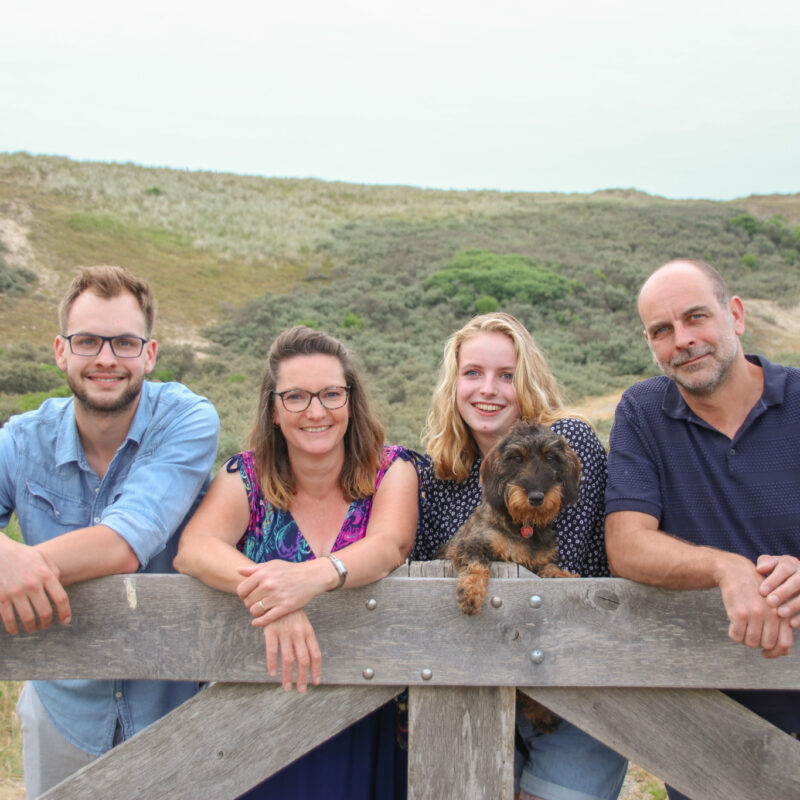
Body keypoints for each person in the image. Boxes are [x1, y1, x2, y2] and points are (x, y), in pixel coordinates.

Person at [0, 265, 219, 797]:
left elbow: (125, 542)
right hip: (62, 705)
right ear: (60, 350)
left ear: (149, 353)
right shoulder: (21, 441)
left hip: (175, 705)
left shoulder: (187, 420)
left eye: (124, 342)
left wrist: (21, 561)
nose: (105, 358)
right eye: (88, 341)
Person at [174, 325, 418, 799]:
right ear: (273, 409)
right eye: (296, 397)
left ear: (351, 400)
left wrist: (309, 579)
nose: (316, 411)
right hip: (260, 722)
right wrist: (275, 597)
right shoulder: (246, 475)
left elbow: (390, 545)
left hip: (368, 715)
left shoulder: (391, 468)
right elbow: (195, 549)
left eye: (331, 394)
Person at [605, 258, 800, 800]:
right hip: (706, 724)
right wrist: (725, 568)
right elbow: (625, 544)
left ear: (734, 315)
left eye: (696, 318)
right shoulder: (643, 412)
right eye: (662, 330)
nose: (683, 341)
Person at [412, 312, 628, 800]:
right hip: (478, 695)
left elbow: (541, 584)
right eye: (473, 374)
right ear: (454, 384)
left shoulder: (568, 449)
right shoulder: (440, 474)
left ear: (526, 380)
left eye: (506, 375)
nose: (488, 389)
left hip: (573, 692)